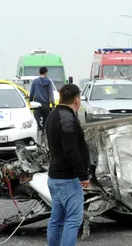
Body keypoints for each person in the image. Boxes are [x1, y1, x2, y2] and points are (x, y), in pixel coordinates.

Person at [45, 83, 90, 246]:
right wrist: (83, 174)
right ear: (77, 100)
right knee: (72, 221)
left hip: (55, 177)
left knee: (56, 220)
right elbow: (71, 150)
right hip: (68, 179)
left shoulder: (53, 115)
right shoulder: (67, 118)